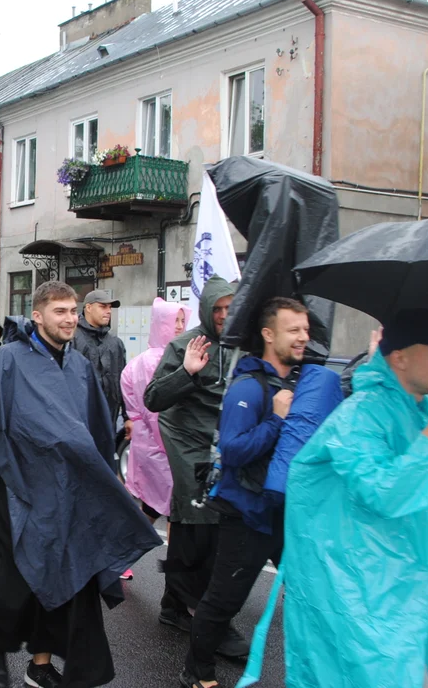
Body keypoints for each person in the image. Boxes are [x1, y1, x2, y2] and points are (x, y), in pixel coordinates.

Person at [237, 308, 428, 688]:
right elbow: (383, 492)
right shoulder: (358, 417)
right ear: (401, 357)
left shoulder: (423, 412)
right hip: (357, 593)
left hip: (407, 588)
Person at [0, 282, 163, 688]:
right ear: (38, 316)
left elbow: (94, 430)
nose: (70, 318)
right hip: (17, 487)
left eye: (73, 311)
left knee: (69, 576)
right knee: (18, 579)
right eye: (60, 311)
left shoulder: (78, 366)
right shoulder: (9, 360)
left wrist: (106, 481)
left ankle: (40, 666)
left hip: (67, 490)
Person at [181, 298, 343, 688]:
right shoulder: (249, 387)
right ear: (269, 335)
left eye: (306, 329)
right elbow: (233, 451)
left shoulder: (303, 382)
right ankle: (196, 672)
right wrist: (276, 418)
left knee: (314, 593)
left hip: (289, 512)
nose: (304, 337)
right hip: (247, 514)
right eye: (294, 330)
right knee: (224, 600)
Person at [144, 276, 246, 655]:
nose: (223, 315)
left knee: (199, 528)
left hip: (227, 448)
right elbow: (153, 398)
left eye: (230, 308)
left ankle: (174, 604)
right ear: (206, 310)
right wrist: (186, 371)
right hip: (189, 446)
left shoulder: (242, 346)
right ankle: (204, 612)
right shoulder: (186, 345)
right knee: (202, 524)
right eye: (217, 308)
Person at [120, 297, 190, 520]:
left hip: (156, 444)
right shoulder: (152, 362)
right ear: (161, 323)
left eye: (182, 320)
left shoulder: (170, 356)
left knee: (159, 507)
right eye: (174, 321)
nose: (179, 326)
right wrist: (173, 448)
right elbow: (154, 412)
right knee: (171, 509)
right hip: (160, 446)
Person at [72, 289, 130, 438]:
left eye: (110, 308)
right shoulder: (72, 338)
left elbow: (123, 381)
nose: (108, 311)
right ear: (89, 308)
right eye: (103, 307)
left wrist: (127, 416)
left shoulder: (115, 343)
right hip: (78, 423)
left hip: (108, 422)